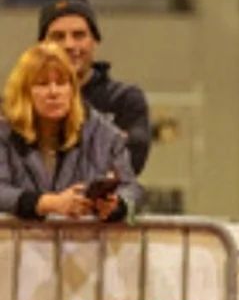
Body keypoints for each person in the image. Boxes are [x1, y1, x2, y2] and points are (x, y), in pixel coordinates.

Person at [0, 42, 143, 221]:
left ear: (73, 90)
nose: (53, 92)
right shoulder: (4, 133)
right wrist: (48, 203)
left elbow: (132, 190)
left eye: (61, 83)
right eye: (42, 84)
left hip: (85, 237)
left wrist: (117, 205)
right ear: (24, 93)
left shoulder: (105, 134)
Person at [37, 0, 152, 175]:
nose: (69, 45)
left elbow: (131, 160)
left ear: (95, 40)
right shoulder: (17, 104)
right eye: (58, 36)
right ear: (41, 46)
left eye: (79, 35)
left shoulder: (124, 99)